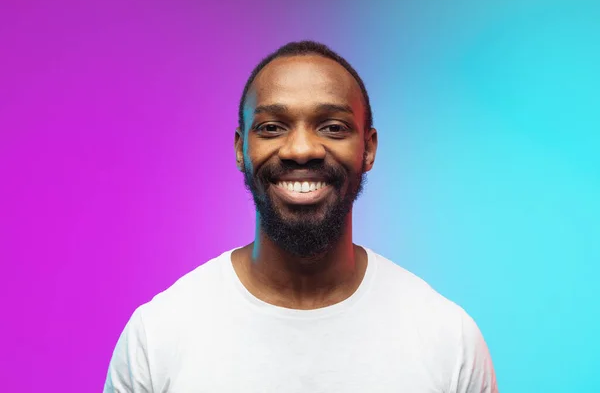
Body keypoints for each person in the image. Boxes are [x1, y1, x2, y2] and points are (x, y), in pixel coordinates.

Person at [104, 40, 498, 392]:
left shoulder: (447, 340)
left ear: (369, 148)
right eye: (273, 127)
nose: (302, 149)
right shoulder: (158, 337)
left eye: (332, 126)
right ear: (242, 149)